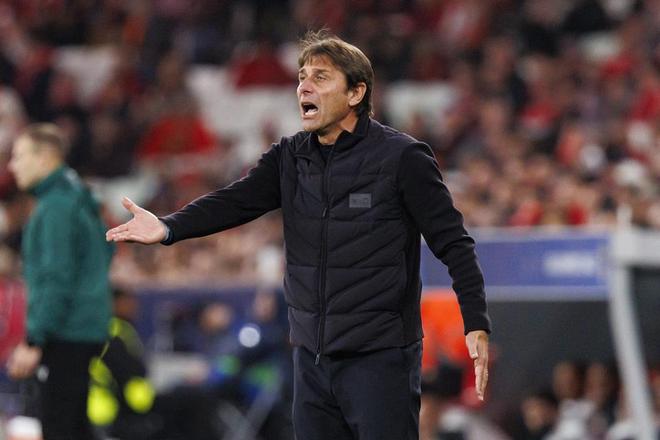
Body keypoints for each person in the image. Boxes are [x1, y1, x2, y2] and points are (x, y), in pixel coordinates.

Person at [107, 31, 491, 440]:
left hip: (380, 360)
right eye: (302, 77)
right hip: (311, 363)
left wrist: (475, 322)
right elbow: (232, 202)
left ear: (356, 92)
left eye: (320, 77)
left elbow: (454, 243)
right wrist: (169, 226)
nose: (304, 86)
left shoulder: (402, 158)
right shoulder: (289, 157)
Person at [6, 123, 113, 440]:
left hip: (65, 331)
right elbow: (107, 251)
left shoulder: (56, 207)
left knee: (60, 428)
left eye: (19, 156)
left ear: (44, 158)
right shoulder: (80, 198)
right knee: (75, 427)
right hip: (85, 326)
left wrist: (35, 339)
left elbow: (55, 278)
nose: (12, 165)